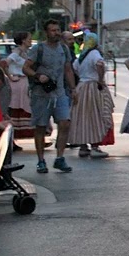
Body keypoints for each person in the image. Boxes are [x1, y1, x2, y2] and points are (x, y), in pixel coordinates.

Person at [23, 19, 77, 174]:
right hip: (41, 95)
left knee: (65, 123)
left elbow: (68, 69)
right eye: (53, 30)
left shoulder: (64, 49)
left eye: (58, 29)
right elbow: (25, 68)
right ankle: (41, 161)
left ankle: (60, 158)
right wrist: (37, 76)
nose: (56, 33)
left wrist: (73, 89)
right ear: (46, 32)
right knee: (40, 127)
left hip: (59, 93)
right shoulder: (38, 49)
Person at [68, 31, 114, 159]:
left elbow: (74, 68)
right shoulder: (94, 53)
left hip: (81, 87)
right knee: (96, 116)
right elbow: (100, 64)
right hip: (93, 86)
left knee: (82, 117)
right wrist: (100, 79)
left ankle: (83, 147)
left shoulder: (82, 56)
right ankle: (94, 146)